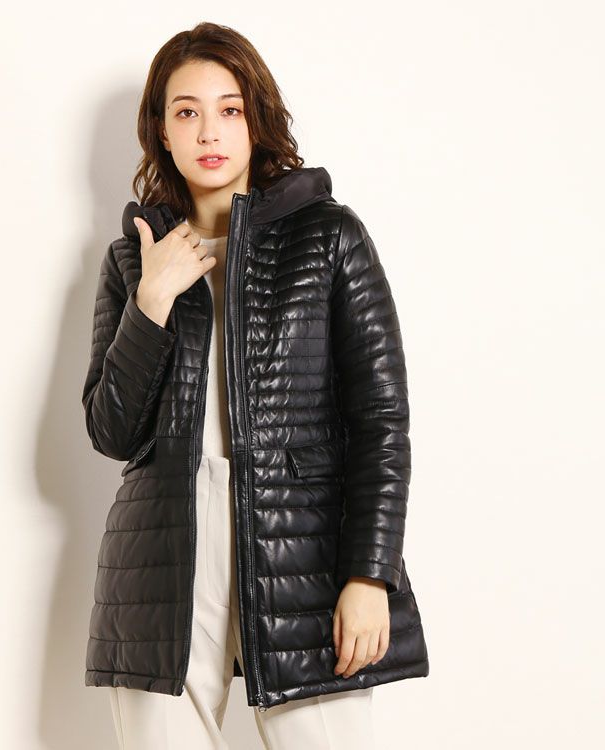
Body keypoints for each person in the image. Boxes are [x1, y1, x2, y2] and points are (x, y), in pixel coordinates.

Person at [82, 21, 429, 750]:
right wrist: (152, 300)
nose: (209, 130)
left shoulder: (327, 237)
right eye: (187, 111)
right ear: (162, 130)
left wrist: (370, 575)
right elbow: (111, 432)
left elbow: (381, 420)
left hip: (300, 544)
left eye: (230, 108)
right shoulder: (132, 260)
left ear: (256, 119)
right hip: (162, 557)